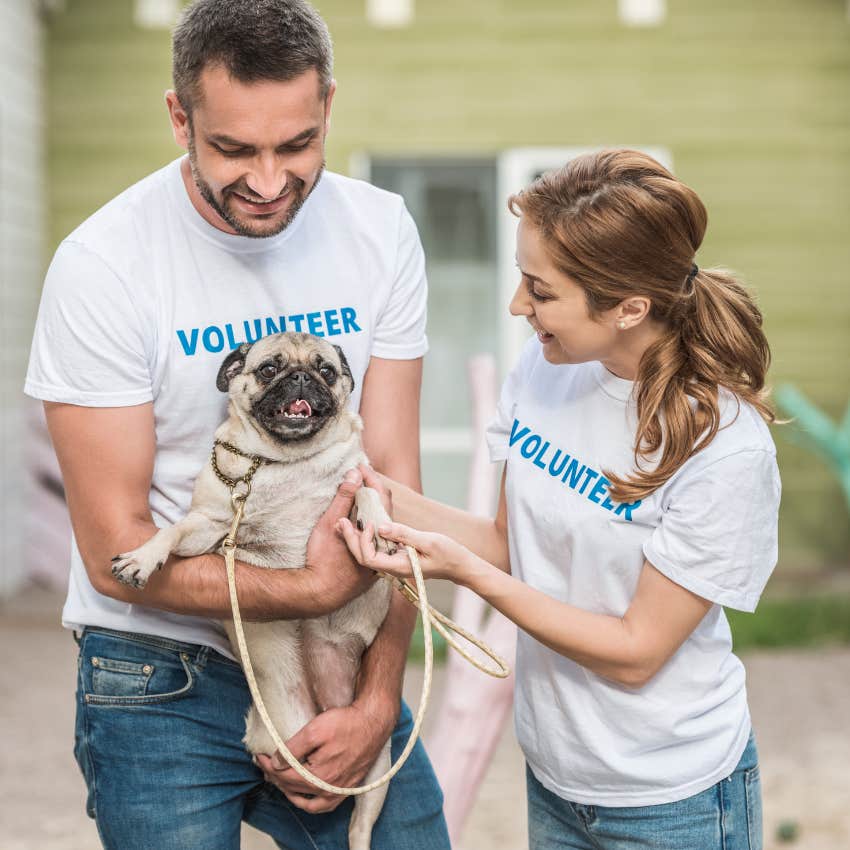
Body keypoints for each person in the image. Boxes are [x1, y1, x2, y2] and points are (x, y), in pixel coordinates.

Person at [24, 1, 450, 848]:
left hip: (343, 654)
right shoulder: (104, 266)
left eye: (295, 146)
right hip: (158, 673)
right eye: (232, 149)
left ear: (328, 105)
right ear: (180, 116)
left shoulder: (379, 230)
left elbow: (397, 485)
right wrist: (314, 587)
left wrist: (377, 695)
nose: (265, 180)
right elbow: (117, 554)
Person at [340, 149, 779, 850]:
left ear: (630, 307)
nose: (519, 307)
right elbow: (513, 544)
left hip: (674, 800)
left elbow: (636, 651)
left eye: (541, 293)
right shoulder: (544, 372)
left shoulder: (723, 448)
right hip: (555, 781)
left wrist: (464, 573)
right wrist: (367, 490)